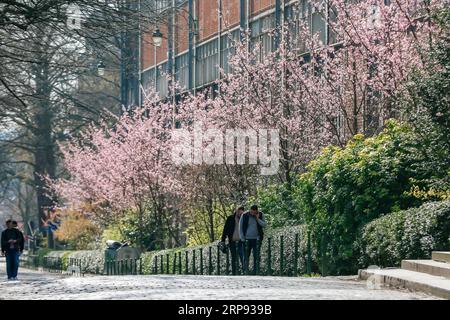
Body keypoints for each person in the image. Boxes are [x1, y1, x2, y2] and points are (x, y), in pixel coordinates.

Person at [239, 205, 267, 275]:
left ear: (257, 211)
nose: (253, 214)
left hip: (257, 239)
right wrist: (242, 238)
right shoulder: (244, 215)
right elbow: (240, 227)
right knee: (246, 256)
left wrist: (257, 219)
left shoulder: (260, 214)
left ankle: (256, 271)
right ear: (250, 210)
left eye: (255, 212)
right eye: (252, 212)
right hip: (247, 239)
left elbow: (264, 224)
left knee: (256, 256)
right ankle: (245, 271)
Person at [220, 206, 245, 275]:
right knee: (233, 258)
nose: (240, 215)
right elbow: (225, 230)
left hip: (241, 242)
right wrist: (223, 240)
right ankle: (234, 273)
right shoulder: (230, 218)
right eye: (239, 213)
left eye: (242, 214)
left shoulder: (244, 219)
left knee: (243, 257)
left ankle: (245, 272)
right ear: (236, 211)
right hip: (232, 241)